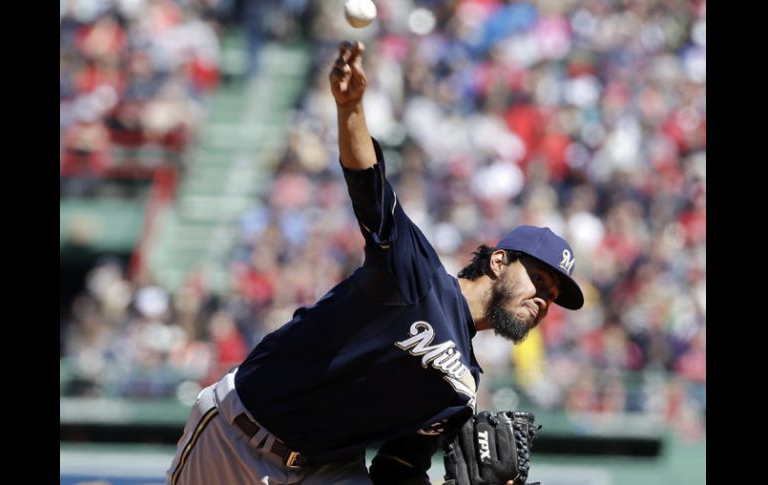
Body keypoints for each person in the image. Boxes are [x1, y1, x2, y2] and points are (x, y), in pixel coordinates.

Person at [165, 40, 584, 485]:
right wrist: (350, 108)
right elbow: (371, 189)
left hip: (325, 473)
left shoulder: (462, 393)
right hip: (238, 437)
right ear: (499, 261)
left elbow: (397, 470)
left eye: (552, 297)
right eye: (538, 280)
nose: (542, 300)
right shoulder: (417, 275)